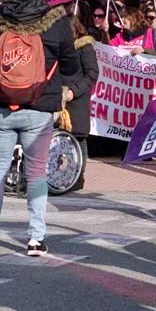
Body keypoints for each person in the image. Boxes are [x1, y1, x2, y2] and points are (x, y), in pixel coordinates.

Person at [0, 0, 80, 256]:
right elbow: (70, 65)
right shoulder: (56, 22)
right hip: (40, 107)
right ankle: (35, 239)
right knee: (35, 173)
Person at [64, 14, 100, 192]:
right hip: (58, 95)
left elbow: (92, 74)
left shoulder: (85, 47)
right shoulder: (58, 48)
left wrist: (74, 91)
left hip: (76, 97)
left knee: (77, 137)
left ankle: (78, 176)